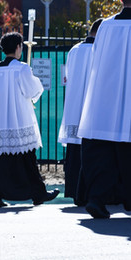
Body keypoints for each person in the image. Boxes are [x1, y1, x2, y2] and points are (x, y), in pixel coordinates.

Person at [0, 32, 60, 207]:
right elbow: (32, 90)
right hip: (19, 120)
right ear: (18, 48)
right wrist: (33, 89)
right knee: (27, 158)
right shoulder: (22, 68)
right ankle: (38, 194)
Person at [77, 0, 131, 219]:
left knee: (103, 153)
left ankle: (97, 199)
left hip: (106, 98)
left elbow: (97, 58)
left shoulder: (106, 27)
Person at [58, 19, 102, 206]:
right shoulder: (99, 50)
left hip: (74, 109)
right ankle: (92, 194)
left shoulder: (74, 50)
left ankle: (76, 193)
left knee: (75, 154)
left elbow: (67, 77)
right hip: (92, 110)